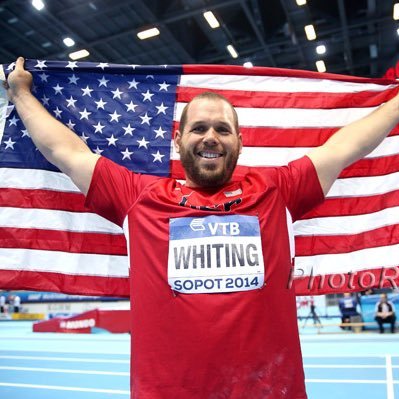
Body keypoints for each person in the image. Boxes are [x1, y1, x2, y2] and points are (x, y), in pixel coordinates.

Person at [5, 56, 399, 399]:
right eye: (199, 128)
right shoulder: (137, 198)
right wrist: (21, 94)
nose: (210, 136)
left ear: (240, 143)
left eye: (223, 129)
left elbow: (346, 146)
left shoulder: (277, 191)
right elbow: (65, 150)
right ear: (178, 140)